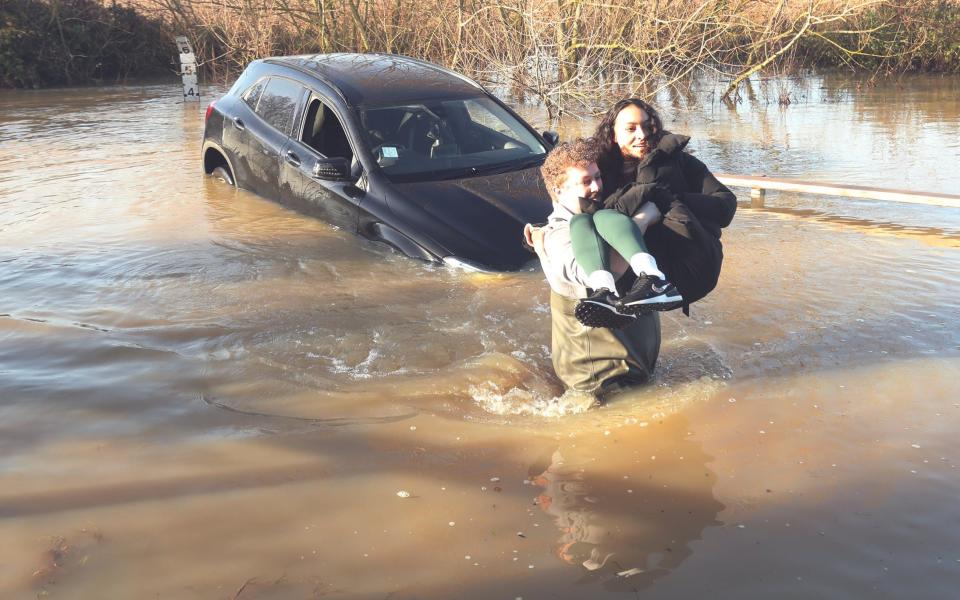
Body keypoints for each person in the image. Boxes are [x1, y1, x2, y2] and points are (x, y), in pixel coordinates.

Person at [525, 139, 660, 396]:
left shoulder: (605, 219)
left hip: (633, 368)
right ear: (558, 189)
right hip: (596, 382)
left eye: (598, 177)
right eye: (586, 181)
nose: (597, 187)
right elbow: (590, 273)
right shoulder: (555, 235)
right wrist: (642, 221)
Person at [593, 98, 737, 315]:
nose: (641, 135)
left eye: (646, 126)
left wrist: (667, 201)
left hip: (689, 262)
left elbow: (726, 205)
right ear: (613, 134)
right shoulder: (598, 169)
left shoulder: (677, 160)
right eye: (631, 129)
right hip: (627, 279)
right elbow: (574, 206)